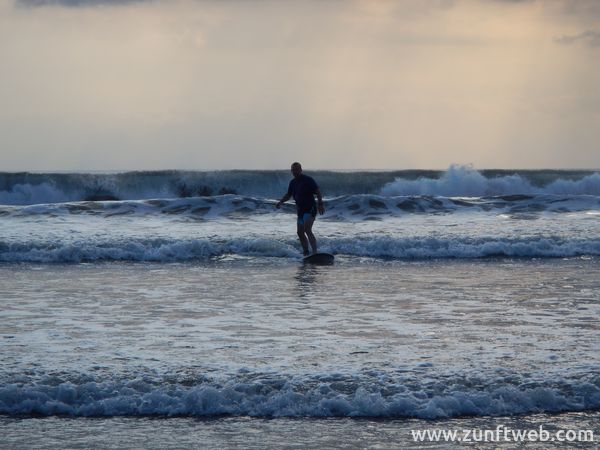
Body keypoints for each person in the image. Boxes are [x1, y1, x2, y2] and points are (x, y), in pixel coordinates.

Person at [276, 162, 325, 256]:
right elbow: (289, 194)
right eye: (293, 170)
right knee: (300, 232)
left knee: (307, 229)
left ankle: (315, 252)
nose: (295, 171)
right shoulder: (293, 183)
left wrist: (320, 204)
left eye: (297, 169)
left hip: (311, 208)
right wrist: (281, 201)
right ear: (291, 171)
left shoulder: (307, 180)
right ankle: (306, 252)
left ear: (301, 170)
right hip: (301, 211)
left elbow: (318, 191)